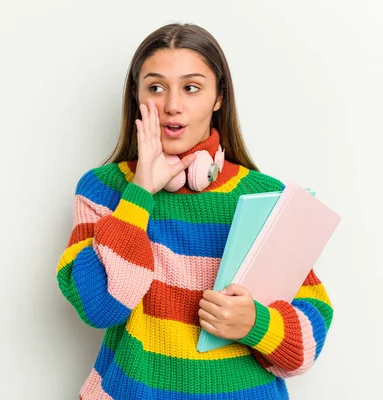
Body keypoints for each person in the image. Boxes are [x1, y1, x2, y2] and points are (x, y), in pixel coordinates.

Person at [55, 23, 333, 400]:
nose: (172, 105)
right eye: (156, 87)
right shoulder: (103, 190)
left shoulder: (267, 196)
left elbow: (307, 344)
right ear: (136, 97)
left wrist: (258, 324)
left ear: (218, 97)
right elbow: (101, 307)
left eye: (191, 87)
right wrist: (139, 194)